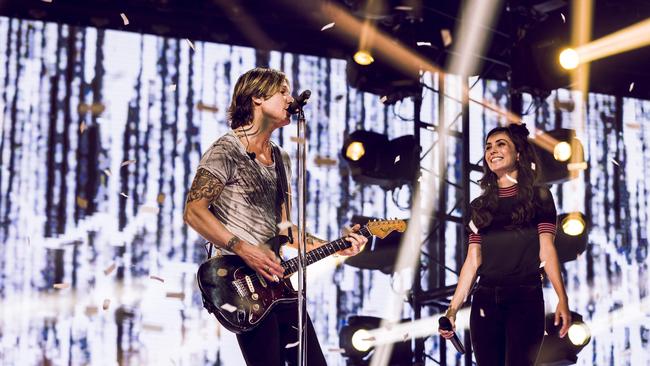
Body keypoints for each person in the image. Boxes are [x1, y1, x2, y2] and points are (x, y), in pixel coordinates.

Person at [183, 67, 367, 365]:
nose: (290, 98)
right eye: (282, 91)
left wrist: (333, 245)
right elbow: (194, 211)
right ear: (257, 97)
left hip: (278, 283)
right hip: (242, 283)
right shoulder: (226, 150)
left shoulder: (280, 158)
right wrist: (244, 249)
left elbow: (286, 229)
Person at [438, 123, 571, 365]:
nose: (492, 151)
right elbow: (473, 261)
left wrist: (563, 298)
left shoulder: (539, 197)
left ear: (518, 154)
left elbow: (547, 249)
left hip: (525, 296)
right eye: (488, 146)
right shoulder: (480, 206)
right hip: (486, 299)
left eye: (501, 144)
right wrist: (452, 310)